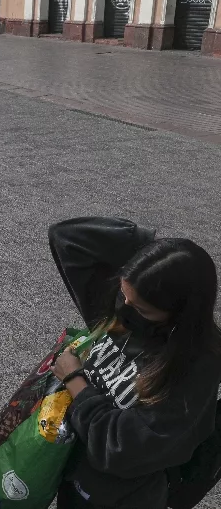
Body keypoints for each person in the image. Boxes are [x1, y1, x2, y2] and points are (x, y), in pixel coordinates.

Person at [47, 217, 221, 509]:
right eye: (122, 293)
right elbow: (67, 237)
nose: (122, 309)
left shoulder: (195, 368)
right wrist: (149, 256)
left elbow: (121, 449)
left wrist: (75, 380)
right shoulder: (126, 309)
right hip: (76, 476)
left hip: (119, 498)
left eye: (140, 307)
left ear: (179, 313)